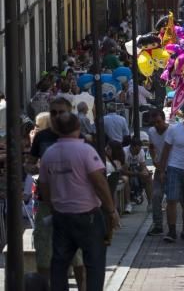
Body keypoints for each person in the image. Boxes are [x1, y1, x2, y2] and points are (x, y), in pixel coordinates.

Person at [39, 113, 119, 291]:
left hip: (61, 215)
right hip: (87, 215)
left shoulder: (49, 154)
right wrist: (111, 210)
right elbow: (99, 182)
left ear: (57, 130)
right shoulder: (85, 151)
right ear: (78, 129)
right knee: (95, 263)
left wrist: (54, 206)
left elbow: (44, 186)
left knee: (59, 264)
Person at [29, 97, 85, 288]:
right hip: (46, 203)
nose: (57, 116)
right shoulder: (42, 137)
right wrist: (32, 167)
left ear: (70, 113)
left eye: (62, 112)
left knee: (78, 258)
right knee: (44, 254)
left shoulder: (78, 136)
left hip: (73, 204)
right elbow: (31, 162)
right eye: (53, 112)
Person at [160, 102, 184, 243]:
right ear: (183, 115)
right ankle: (171, 230)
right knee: (172, 200)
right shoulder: (174, 129)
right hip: (174, 168)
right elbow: (165, 151)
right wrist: (162, 171)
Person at [147, 108, 171, 236]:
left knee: (174, 199)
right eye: (154, 123)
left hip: (172, 168)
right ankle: (158, 225)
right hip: (159, 168)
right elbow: (151, 147)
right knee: (156, 196)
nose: (156, 125)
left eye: (158, 122)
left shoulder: (171, 131)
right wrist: (154, 160)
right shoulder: (151, 132)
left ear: (163, 119)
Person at [122, 137, 153, 209]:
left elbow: (143, 166)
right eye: (136, 150)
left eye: (139, 150)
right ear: (131, 147)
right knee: (126, 179)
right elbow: (124, 171)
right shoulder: (125, 152)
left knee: (148, 177)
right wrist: (139, 173)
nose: (137, 152)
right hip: (125, 171)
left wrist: (146, 172)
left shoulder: (140, 151)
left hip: (135, 169)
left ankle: (150, 202)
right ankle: (128, 203)